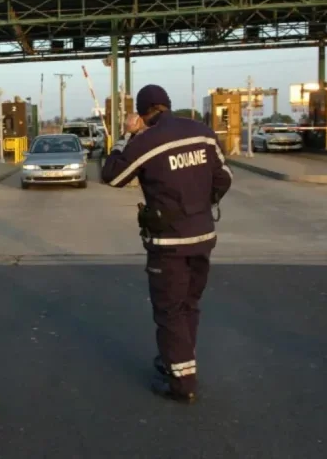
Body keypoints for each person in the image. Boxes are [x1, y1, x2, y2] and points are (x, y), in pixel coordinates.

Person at [100, 84, 233, 403]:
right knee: (189, 304)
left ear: (144, 113)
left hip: (168, 241)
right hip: (203, 236)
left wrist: (126, 136)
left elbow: (113, 175)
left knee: (169, 310)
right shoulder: (202, 132)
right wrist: (199, 206)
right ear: (167, 105)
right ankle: (179, 361)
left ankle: (182, 384)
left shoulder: (147, 140)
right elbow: (224, 177)